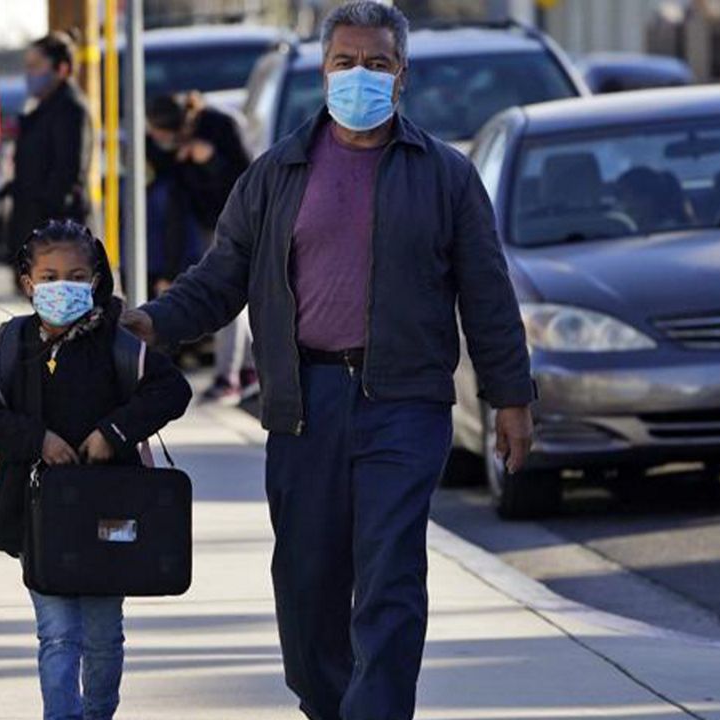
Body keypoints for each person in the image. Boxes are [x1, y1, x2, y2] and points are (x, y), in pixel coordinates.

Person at [121, 3, 536, 719]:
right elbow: (222, 277)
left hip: (403, 405)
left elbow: (488, 295)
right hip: (304, 404)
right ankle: (330, 705)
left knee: (389, 577)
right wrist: (149, 323)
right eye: (346, 61)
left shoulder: (445, 176)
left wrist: (511, 397)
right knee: (307, 584)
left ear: (402, 76)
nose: (361, 76)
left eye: (377, 63)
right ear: (323, 71)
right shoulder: (277, 173)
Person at [0, 220, 192, 720]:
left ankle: (99, 712)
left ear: (95, 280)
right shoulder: (11, 346)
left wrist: (113, 433)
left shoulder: (119, 343)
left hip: (110, 517)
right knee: (58, 634)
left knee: (104, 635)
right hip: (38, 518)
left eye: (75, 275)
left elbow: (173, 391)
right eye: (48, 276)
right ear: (28, 283)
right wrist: (36, 439)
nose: (60, 286)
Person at [145, 92, 256, 404]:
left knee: (228, 295)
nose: (157, 140)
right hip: (205, 226)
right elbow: (175, 209)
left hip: (239, 222)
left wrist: (210, 160)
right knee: (230, 298)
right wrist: (169, 270)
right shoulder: (161, 150)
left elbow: (248, 180)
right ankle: (248, 368)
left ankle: (228, 376)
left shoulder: (220, 127)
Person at [8, 31, 93, 258]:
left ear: (62, 69)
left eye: (36, 66)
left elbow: (67, 174)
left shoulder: (70, 110)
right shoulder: (39, 109)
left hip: (57, 238)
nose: (29, 74)